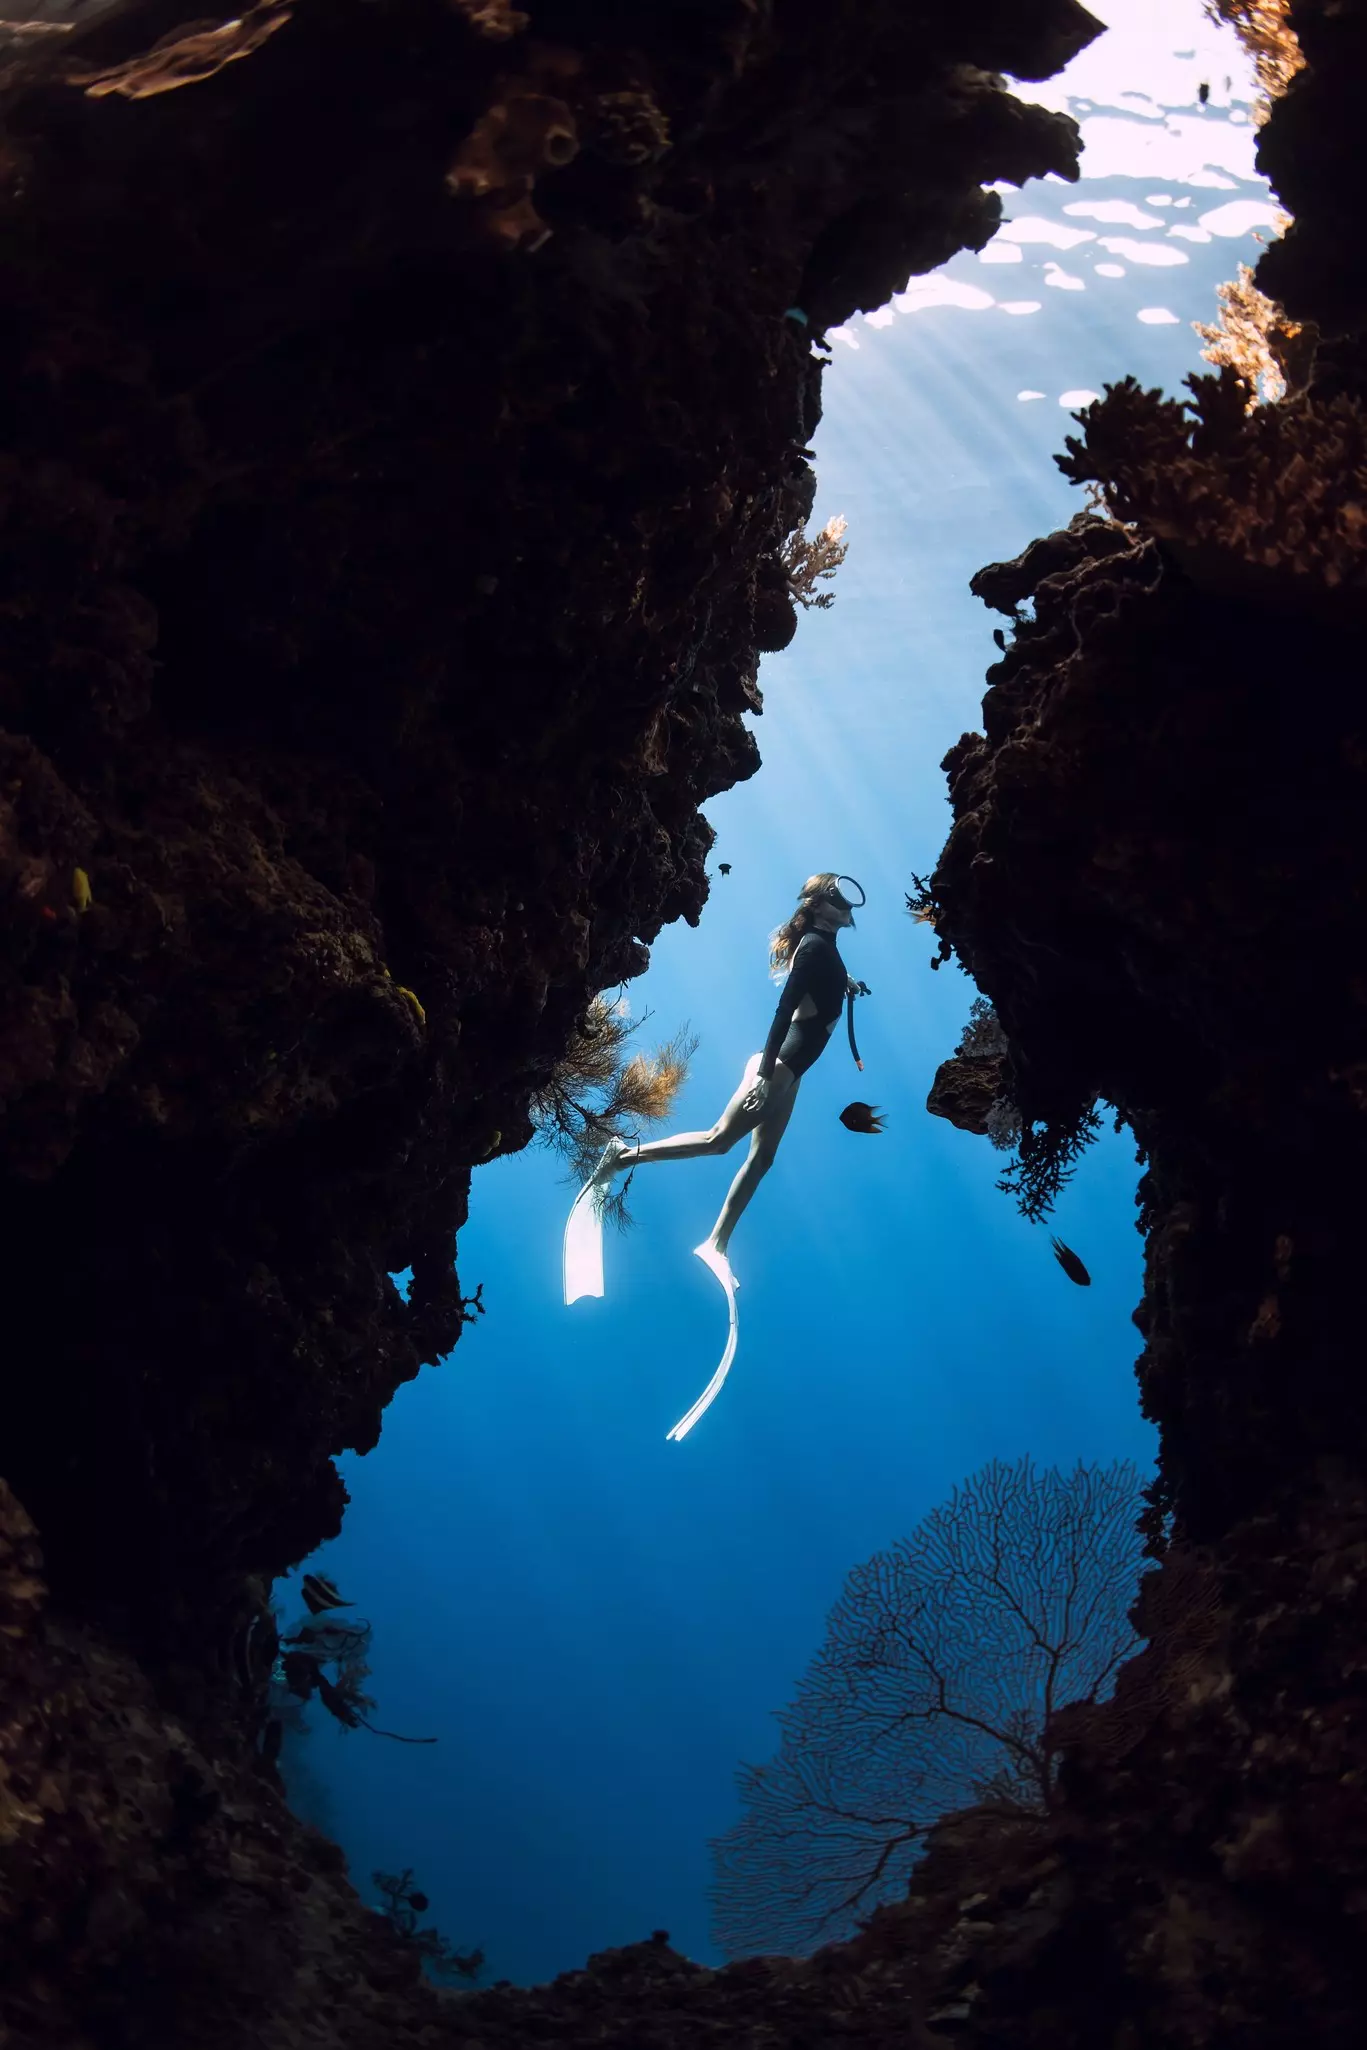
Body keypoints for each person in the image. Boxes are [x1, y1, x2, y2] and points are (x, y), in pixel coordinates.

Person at [563, 874, 868, 1435]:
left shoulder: (831, 954)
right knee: (717, 1141)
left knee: (762, 1159)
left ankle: (716, 1242)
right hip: (776, 1068)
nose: (847, 907)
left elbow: (818, 995)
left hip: (789, 1074)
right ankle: (621, 1154)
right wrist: (763, 1074)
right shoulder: (817, 948)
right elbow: (783, 1010)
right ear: (821, 908)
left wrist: (849, 987)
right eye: (838, 898)